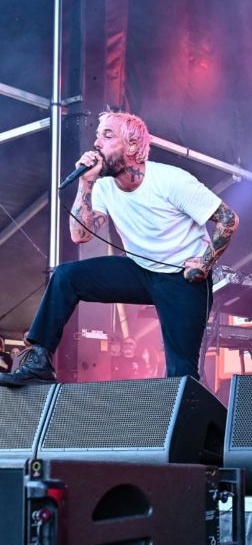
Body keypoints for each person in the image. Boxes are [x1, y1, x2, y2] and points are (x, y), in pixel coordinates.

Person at [0, 111, 239, 386]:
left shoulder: (171, 181)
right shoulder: (102, 186)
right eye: (97, 136)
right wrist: (85, 182)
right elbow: (80, 235)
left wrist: (205, 263)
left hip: (181, 277)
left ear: (133, 147)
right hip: (139, 270)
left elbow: (228, 219)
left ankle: (188, 425)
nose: (97, 143)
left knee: (181, 373)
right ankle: (39, 362)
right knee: (66, 277)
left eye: (107, 135)